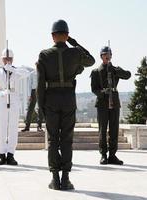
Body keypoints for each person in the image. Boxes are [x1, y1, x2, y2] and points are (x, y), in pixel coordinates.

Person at [37, 19, 95, 190]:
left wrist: (41, 108)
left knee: (53, 140)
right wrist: (74, 43)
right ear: (67, 35)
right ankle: (66, 178)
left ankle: (55, 178)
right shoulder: (75, 53)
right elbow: (91, 60)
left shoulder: (44, 55)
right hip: (68, 99)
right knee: (66, 140)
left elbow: (40, 84)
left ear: (53, 36)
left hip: (51, 100)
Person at [90, 46, 131, 165]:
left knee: (114, 129)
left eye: (109, 54)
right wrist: (103, 94)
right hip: (102, 103)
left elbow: (127, 75)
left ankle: (112, 155)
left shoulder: (114, 70)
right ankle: (103, 154)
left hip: (114, 102)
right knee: (102, 130)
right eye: (104, 54)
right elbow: (94, 89)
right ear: (101, 56)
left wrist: (115, 70)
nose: (107, 56)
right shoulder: (96, 72)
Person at [0, 48, 30, 165]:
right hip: (3, 99)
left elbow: (27, 73)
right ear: (2, 59)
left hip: (13, 98)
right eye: (5, 58)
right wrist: (2, 93)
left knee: (13, 128)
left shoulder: (16, 71)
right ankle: (1, 154)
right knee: (2, 128)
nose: (7, 60)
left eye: (10, 58)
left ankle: (11, 154)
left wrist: (13, 69)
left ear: (12, 59)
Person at [21, 65, 44, 132]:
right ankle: (27, 126)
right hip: (33, 91)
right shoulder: (32, 74)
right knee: (30, 109)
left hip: (41, 91)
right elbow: (29, 84)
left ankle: (39, 126)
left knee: (40, 109)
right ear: (36, 65)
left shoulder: (43, 73)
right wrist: (29, 95)